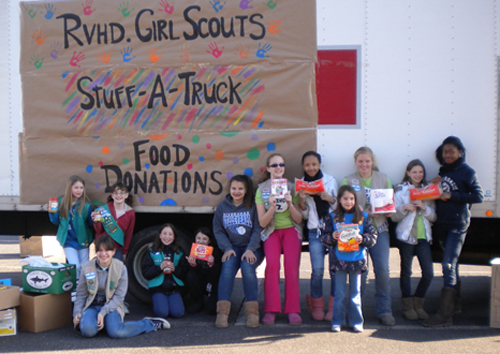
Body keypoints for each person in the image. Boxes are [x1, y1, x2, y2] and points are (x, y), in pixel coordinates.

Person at [423, 136, 483, 327]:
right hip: (443, 224)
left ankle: (444, 315)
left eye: (451, 151)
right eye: (445, 152)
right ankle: (455, 306)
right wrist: (434, 185)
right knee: (452, 265)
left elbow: (478, 196)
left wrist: (452, 195)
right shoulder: (442, 172)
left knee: (448, 264)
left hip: (458, 224)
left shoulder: (467, 172)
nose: (448, 155)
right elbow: (437, 195)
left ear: (460, 152)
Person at [73, 235, 169, 338]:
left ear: (113, 251)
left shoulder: (121, 268)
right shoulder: (86, 268)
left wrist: (103, 312)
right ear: (96, 252)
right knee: (88, 331)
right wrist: (77, 313)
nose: (103, 254)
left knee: (116, 332)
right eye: (100, 251)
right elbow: (81, 294)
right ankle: (104, 323)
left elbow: (119, 296)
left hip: (112, 305)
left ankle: (149, 323)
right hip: (91, 306)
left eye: (107, 250)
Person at [341, 146, 395, 326]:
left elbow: (391, 206)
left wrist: (388, 212)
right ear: (356, 162)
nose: (364, 164)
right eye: (360, 161)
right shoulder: (348, 180)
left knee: (383, 271)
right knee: (359, 272)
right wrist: (360, 211)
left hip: (380, 229)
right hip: (357, 232)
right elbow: (342, 207)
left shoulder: (383, 179)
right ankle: (356, 312)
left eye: (367, 161)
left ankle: (385, 310)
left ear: (373, 162)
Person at [256, 153, 303, 325]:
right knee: (272, 266)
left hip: (291, 230)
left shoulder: (291, 186)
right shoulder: (261, 189)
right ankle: (271, 309)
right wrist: (271, 206)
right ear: (268, 168)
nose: (278, 168)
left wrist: (290, 203)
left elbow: (298, 219)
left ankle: (293, 309)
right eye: (274, 165)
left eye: (281, 164)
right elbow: (262, 222)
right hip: (271, 231)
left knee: (291, 268)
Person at [213, 175, 264, 328]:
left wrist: (250, 249)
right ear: (229, 189)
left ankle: (252, 313)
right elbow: (218, 230)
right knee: (227, 270)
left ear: (246, 190)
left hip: (252, 247)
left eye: (240, 189)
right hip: (232, 248)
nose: (236, 191)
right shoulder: (222, 207)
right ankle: (222, 313)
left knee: (248, 269)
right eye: (234, 188)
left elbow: (258, 229)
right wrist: (227, 248)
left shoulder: (253, 206)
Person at [392, 160, 436, 320]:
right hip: (405, 237)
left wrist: (424, 208)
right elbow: (394, 216)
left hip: (423, 237)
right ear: (408, 173)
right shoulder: (401, 190)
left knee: (428, 273)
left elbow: (434, 216)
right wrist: (404, 208)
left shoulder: (428, 191)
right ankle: (407, 307)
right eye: (415, 172)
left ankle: (418, 304)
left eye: (421, 172)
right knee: (406, 272)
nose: (418, 175)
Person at [330, 185, 377, 333]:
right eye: (345, 198)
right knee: (339, 294)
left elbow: (373, 237)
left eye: (351, 198)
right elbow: (324, 237)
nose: (348, 201)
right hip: (339, 260)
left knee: (355, 293)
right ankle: (337, 321)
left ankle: (356, 321)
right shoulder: (333, 216)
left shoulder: (363, 216)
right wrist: (332, 236)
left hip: (357, 260)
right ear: (339, 200)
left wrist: (362, 238)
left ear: (355, 200)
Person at [298, 151, 337, 321]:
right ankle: (317, 305)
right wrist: (301, 200)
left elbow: (340, 207)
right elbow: (303, 215)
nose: (311, 168)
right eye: (307, 165)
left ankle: (335, 306)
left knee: (335, 270)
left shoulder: (330, 180)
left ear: (319, 164)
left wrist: (329, 198)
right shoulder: (301, 184)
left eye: (314, 164)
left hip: (333, 230)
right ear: (303, 167)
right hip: (314, 231)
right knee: (318, 270)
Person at [49, 175, 94, 280]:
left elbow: (91, 224)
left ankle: (85, 289)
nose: (79, 190)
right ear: (70, 188)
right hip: (68, 240)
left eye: (81, 188)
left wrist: (95, 217)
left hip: (83, 240)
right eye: (76, 187)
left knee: (85, 267)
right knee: (75, 266)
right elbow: (56, 221)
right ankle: (76, 289)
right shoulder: (61, 202)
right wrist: (52, 212)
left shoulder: (86, 205)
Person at [142, 223, 189, 319]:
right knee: (162, 314)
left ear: (174, 237)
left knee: (177, 313)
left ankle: (172, 302)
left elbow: (185, 273)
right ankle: (160, 302)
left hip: (174, 288)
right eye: (164, 233)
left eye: (170, 234)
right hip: (158, 288)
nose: (167, 237)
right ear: (160, 235)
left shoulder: (179, 252)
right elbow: (146, 272)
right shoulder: (152, 251)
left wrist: (175, 269)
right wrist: (159, 268)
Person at [92, 182, 135, 262]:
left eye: (122, 193)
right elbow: (99, 230)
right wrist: (96, 222)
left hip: (117, 248)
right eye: (116, 193)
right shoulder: (103, 210)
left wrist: (125, 251)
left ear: (126, 195)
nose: (118, 196)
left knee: (116, 271)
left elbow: (129, 234)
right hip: (102, 248)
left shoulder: (130, 212)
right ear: (112, 195)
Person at [184, 226, 222, 315]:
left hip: (213, 281)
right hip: (200, 280)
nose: (201, 241)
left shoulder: (215, 252)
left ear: (209, 241)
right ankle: (198, 302)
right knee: (191, 275)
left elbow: (217, 274)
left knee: (212, 310)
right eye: (198, 238)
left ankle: (212, 299)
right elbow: (189, 272)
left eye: (204, 239)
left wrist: (211, 265)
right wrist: (194, 265)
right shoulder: (192, 251)